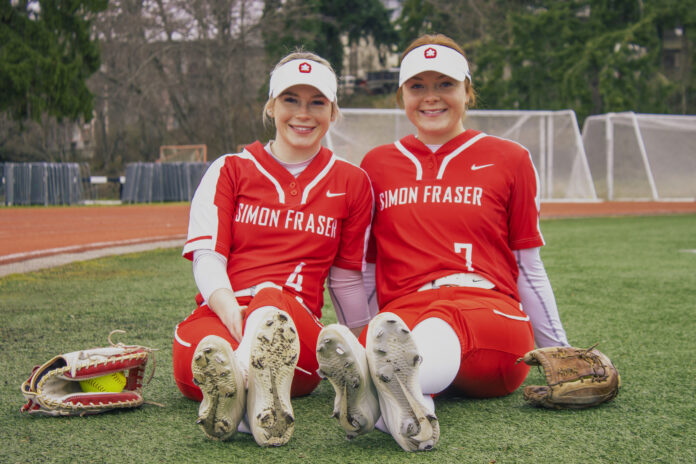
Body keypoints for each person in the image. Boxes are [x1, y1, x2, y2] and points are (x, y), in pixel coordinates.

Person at [317, 33, 569, 452]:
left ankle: (380, 384)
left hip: (489, 314)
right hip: (404, 314)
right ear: (402, 96)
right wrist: (365, 331)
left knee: (439, 323)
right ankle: (406, 401)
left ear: (468, 91)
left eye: (445, 85)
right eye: (418, 86)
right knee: (406, 330)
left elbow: (528, 266)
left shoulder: (511, 158)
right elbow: (368, 269)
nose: (431, 97)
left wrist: (560, 350)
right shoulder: (377, 165)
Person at [172, 51, 374, 447]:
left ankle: (242, 394)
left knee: (269, 298)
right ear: (271, 106)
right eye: (290, 100)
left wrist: (364, 353)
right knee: (202, 351)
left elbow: (348, 280)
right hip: (225, 311)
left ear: (333, 111)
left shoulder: (352, 181)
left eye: (317, 102)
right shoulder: (229, 169)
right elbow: (208, 257)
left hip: (296, 334)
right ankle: (254, 400)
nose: (304, 113)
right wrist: (231, 311)